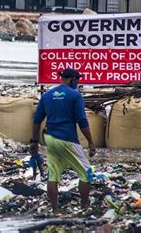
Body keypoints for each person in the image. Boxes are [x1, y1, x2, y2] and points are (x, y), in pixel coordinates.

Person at [30, 68, 96, 215]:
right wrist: (91, 142)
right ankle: (85, 207)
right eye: (77, 80)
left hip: (49, 138)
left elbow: (37, 120)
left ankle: (55, 210)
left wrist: (34, 141)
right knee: (86, 172)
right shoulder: (75, 95)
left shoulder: (46, 95)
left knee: (53, 174)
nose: (78, 83)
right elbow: (82, 120)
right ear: (72, 79)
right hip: (66, 138)